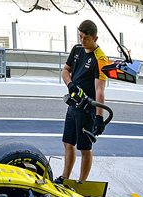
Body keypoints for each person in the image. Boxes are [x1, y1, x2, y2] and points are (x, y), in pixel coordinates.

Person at [56, 20, 109, 184]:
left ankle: (81, 183)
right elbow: (65, 70)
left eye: (86, 38)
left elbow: (100, 90)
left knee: (85, 148)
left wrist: (99, 117)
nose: (82, 40)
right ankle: (65, 177)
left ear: (95, 38)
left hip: (87, 109)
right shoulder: (77, 49)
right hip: (73, 105)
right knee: (67, 142)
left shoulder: (101, 59)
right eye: (80, 36)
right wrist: (70, 84)